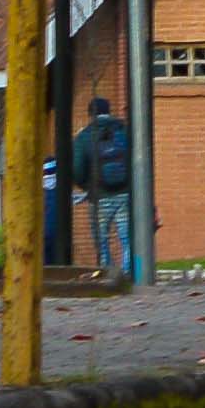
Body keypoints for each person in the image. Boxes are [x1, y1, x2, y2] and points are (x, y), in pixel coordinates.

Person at [69, 92, 134, 286]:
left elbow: (78, 170)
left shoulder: (84, 137)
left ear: (91, 114)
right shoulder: (124, 130)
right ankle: (128, 273)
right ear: (108, 112)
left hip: (100, 197)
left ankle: (108, 276)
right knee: (126, 238)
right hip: (125, 193)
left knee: (102, 239)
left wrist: (87, 187)